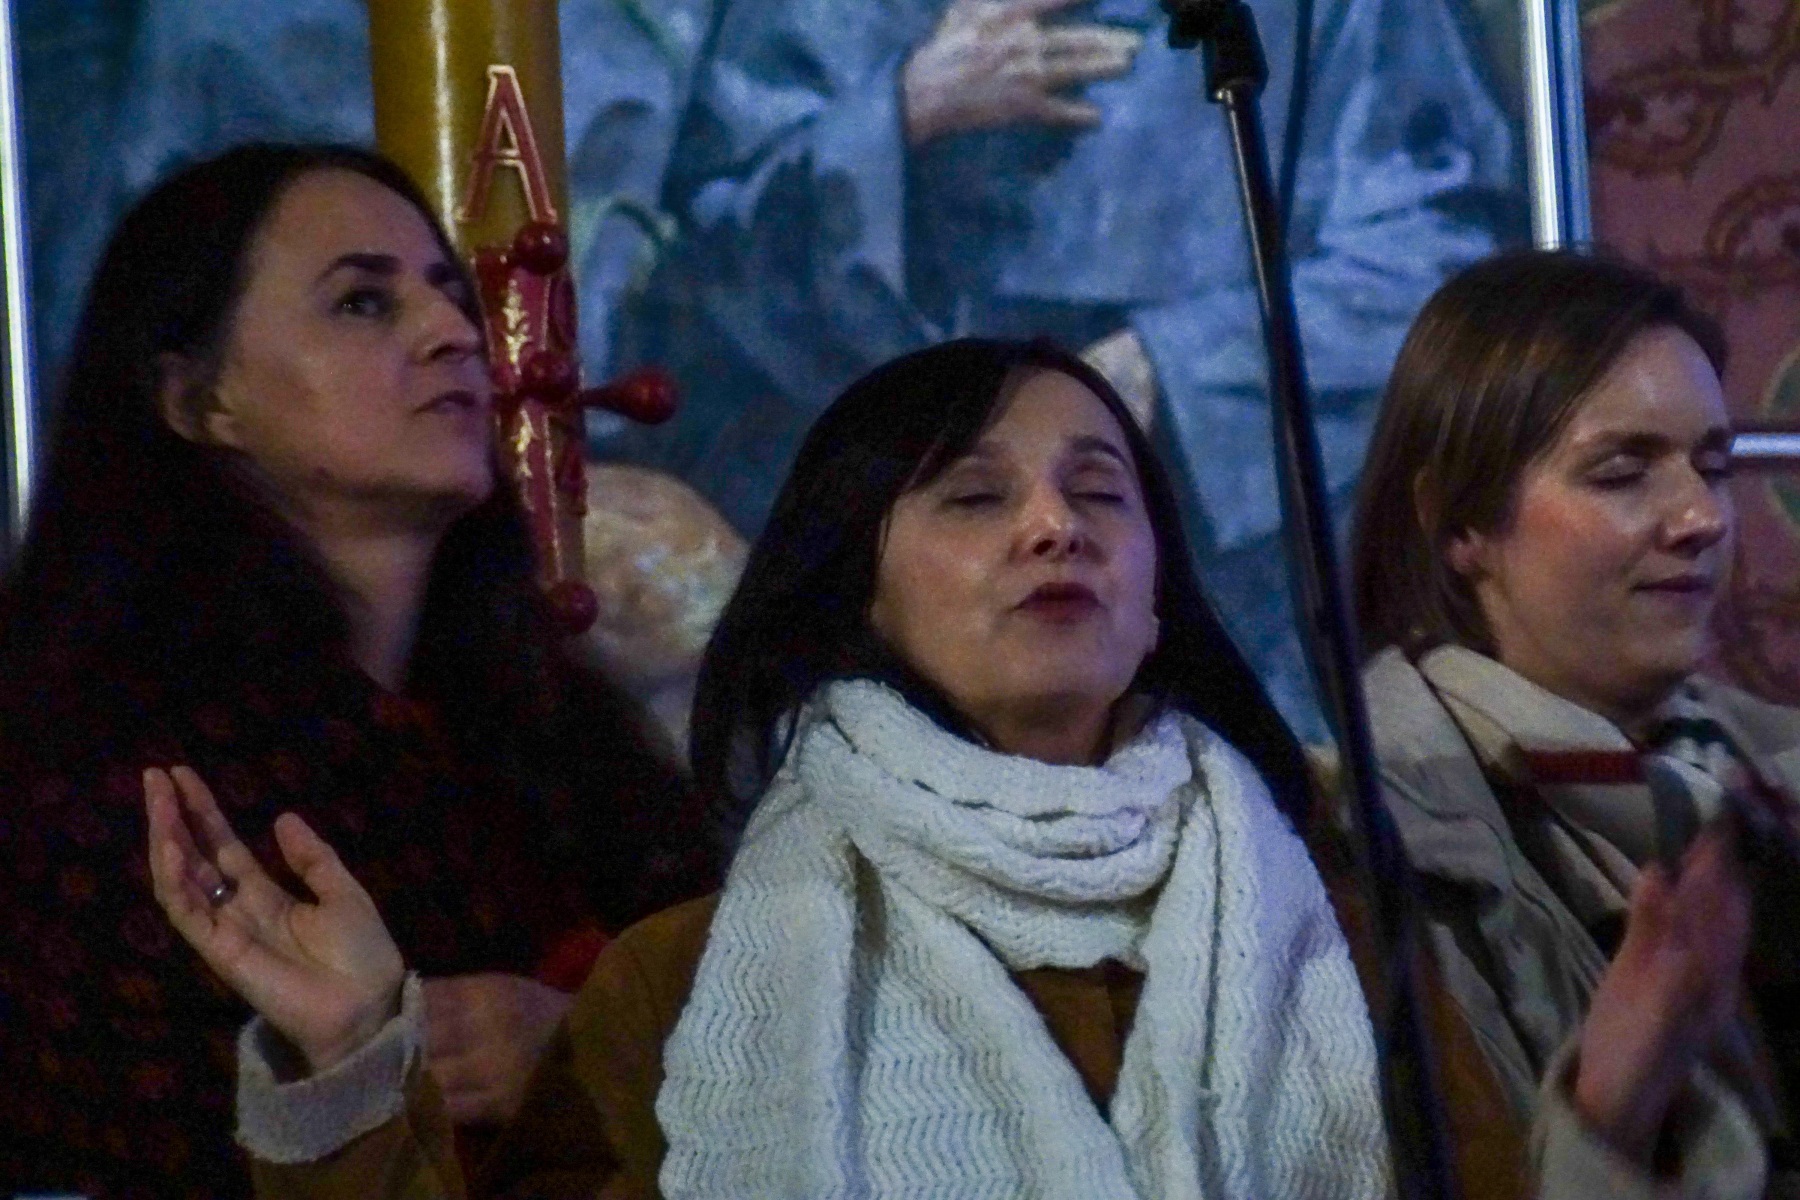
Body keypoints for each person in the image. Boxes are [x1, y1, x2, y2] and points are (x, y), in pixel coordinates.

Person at [148, 337, 1720, 1198]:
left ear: (1157, 591)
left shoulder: (1334, 936)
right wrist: (350, 1057)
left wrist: (1612, 1101)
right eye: (973, 497)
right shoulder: (684, 984)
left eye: (1099, 493)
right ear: (862, 593)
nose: (1053, 527)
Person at [0, 143, 714, 1198]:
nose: (454, 334)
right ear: (199, 401)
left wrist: (589, 1046)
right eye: (363, 304)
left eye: (447, 294)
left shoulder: (559, 734)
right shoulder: (117, 786)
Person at [607, 0, 1517, 736]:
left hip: (1249, 607)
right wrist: (899, 114)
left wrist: (1173, 365)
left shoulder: (1346, 16)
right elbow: (693, 286)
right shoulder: (792, 20)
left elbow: (1448, 256)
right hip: (892, 626)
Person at [1354, 248, 1784, 1189]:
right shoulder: (1368, 837)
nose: (1702, 517)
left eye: (1712, 467)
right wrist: (1611, 1111)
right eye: (1623, 473)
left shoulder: (1772, 769)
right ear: (1460, 522)